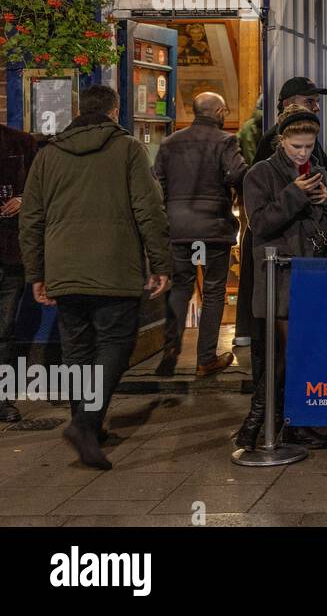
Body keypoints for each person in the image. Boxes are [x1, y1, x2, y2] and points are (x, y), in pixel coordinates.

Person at [18, 85, 170, 469]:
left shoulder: (48, 155)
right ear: (115, 111)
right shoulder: (129, 149)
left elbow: (30, 218)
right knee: (116, 345)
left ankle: (89, 425)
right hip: (115, 267)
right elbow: (149, 209)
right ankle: (85, 424)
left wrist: (36, 272)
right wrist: (161, 262)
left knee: (77, 350)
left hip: (64, 268)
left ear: (77, 111)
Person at [235, 109, 327, 452]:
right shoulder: (260, 174)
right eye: (297, 146)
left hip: (310, 273)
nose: (303, 153)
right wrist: (295, 193)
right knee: (282, 352)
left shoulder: (316, 171)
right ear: (281, 141)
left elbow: (326, 224)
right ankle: (258, 420)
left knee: (299, 352)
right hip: (277, 275)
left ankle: (286, 422)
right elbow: (260, 223)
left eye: (309, 146)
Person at [153, 92, 247, 378]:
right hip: (212, 229)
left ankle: (171, 347)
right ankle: (206, 358)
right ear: (218, 111)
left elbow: (157, 182)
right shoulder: (225, 141)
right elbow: (238, 174)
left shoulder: (169, 142)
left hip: (179, 229)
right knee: (214, 290)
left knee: (181, 287)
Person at [0, 123, 39, 423]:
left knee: (4, 330)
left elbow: (40, 190)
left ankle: (2, 400)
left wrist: (24, 200)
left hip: (10, 251)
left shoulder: (21, 142)